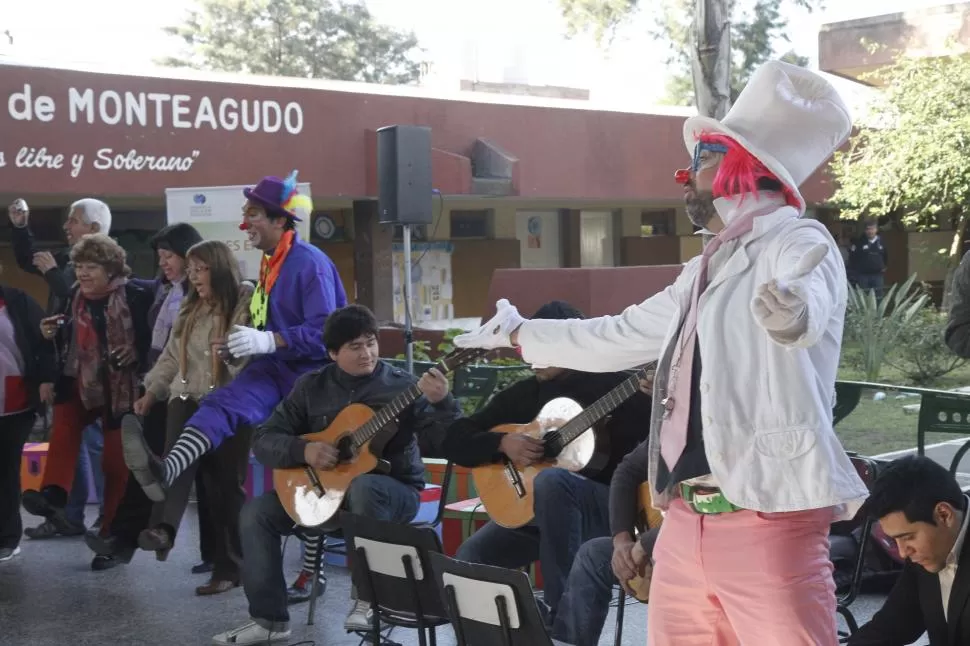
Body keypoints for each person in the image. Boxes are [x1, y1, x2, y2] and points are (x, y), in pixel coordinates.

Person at [454, 60, 869, 645]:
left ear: (748, 165)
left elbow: (807, 291)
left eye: (704, 156)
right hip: (684, 520)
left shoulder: (799, 239)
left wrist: (794, 310)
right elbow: (617, 334)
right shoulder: (702, 268)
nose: (687, 172)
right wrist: (522, 334)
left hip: (768, 519)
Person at [211, 304, 461, 646]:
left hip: (394, 492)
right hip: (325, 494)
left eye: (371, 342)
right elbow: (265, 438)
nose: (367, 353)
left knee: (364, 486)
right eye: (355, 347)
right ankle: (269, 620)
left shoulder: (402, 387)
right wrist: (305, 451)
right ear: (332, 353)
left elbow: (444, 442)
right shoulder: (310, 387)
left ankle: (368, 601)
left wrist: (443, 402)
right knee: (256, 513)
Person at [122, 171, 347, 504]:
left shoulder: (309, 263)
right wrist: (239, 346)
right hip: (273, 368)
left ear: (278, 219)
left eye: (252, 214)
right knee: (221, 403)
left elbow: (326, 332)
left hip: (312, 376)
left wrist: (268, 341)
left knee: (307, 480)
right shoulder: (271, 263)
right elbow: (265, 327)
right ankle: (167, 471)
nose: (244, 222)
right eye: (244, 214)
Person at [440, 300, 652, 629]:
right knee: (473, 558)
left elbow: (664, 445)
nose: (530, 355)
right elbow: (454, 439)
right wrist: (501, 444)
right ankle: (526, 627)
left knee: (553, 481)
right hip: (536, 514)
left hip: (602, 514)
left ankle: (558, 620)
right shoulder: (526, 394)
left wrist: (660, 396)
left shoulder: (620, 385)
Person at [21, 234, 154, 570]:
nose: (82, 273)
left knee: (114, 463)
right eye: (79, 266)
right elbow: (64, 336)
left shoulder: (138, 294)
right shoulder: (72, 296)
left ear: (111, 269)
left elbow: (156, 339)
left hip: (122, 388)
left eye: (90, 267)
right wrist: (50, 333)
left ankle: (110, 534)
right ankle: (53, 494)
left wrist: (136, 353)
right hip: (79, 381)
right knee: (64, 424)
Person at [83, 223, 210, 570]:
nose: (164, 263)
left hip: (193, 393)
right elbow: (155, 342)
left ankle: (218, 557)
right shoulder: (162, 291)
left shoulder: (205, 294)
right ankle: (121, 540)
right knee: (146, 468)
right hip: (158, 389)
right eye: (160, 257)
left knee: (209, 478)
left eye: (169, 256)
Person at [132, 240, 255, 595]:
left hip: (228, 403)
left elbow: (244, 350)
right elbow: (171, 356)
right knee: (174, 468)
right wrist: (152, 392)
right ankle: (163, 531)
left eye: (199, 269)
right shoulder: (190, 306)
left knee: (224, 488)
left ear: (218, 267)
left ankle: (230, 568)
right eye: (190, 270)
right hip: (184, 398)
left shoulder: (242, 297)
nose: (193, 277)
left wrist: (229, 351)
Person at [9, 198, 112, 539]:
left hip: (99, 370)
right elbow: (29, 261)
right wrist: (21, 227)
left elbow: (79, 295)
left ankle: (108, 517)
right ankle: (67, 514)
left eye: (74, 221)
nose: (66, 227)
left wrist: (53, 272)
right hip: (66, 362)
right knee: (69, 442)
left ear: (94, 230)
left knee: (97, 443)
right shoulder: (69, 258)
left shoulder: (108, 262)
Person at [553, 432, 662, 646]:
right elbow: (627, 471)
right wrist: (621, 539)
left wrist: (645, 544)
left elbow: (706, 512)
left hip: (705, 550)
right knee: (593, 555)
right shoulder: (670, 424)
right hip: (658, 542)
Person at [849, 456, 970, 645]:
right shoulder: (928, 551)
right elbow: (887, 628)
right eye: (894, 539)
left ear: (944, 515)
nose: (903, 552)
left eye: (908, 537)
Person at [0, 276, 55, 562]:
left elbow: (44, 341)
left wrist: (46, 378)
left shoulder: (17, 301)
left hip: (14, 401)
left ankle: (8, 538)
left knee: (6, 470)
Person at [847, 218, 887, 296]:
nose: (870, 231)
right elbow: (852, 257)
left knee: (878, 296)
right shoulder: (859, 242)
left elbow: (885, 255)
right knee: (863, 296)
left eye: (872, 229)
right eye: (868, 229)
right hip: (863, 275)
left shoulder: (882, 242)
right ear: (865, 231)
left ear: (876, 230)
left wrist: (884, 266)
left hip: (878, 275)